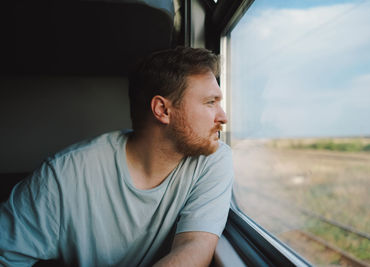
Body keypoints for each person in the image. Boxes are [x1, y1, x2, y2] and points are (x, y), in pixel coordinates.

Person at [0, 47, 234, 266]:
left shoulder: (213, 159)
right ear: (162, 110)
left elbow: (195, 246)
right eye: (210, 102)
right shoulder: (63, 176)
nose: (223, 117)